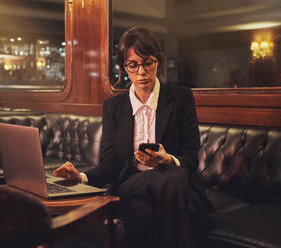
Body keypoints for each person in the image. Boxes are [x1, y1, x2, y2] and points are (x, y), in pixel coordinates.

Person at [54, 27, 212, 248]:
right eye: (133, 65)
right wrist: (80, 177)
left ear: (158, 61)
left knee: (168, 180)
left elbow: (190, 158)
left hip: (176, 187)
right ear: (124, 68)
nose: (141, 72)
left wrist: (168, 160)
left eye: (147, 63)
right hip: (133, 183)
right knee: (166, 185)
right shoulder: (113, 108)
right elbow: (110, 163)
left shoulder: (181, 99)